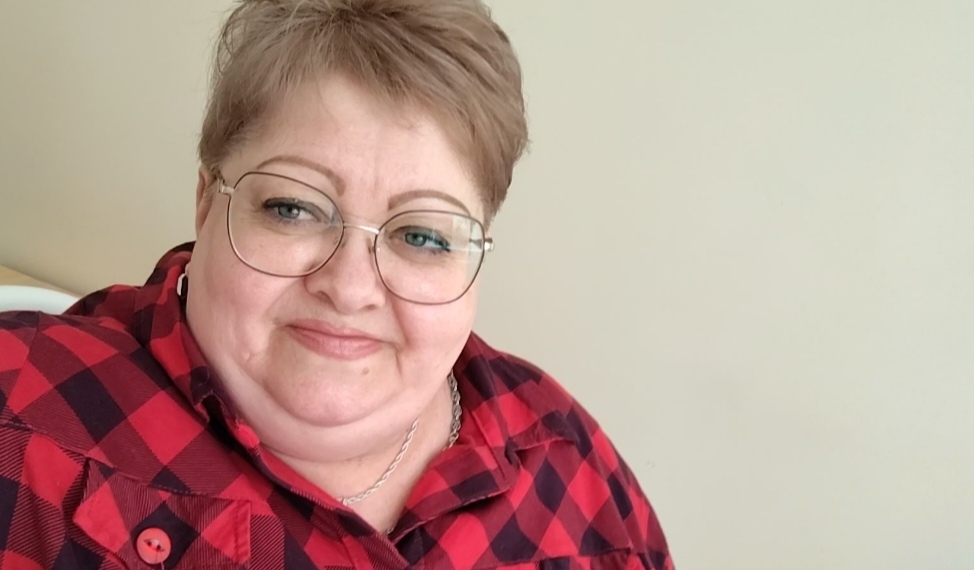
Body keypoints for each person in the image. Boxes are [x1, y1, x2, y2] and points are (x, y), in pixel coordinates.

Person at [0, 1, 673, 568]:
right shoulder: (23, 413)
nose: (349, 289)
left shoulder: (568, 465)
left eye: (422, 236)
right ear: (207, 203)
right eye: (293, 208)